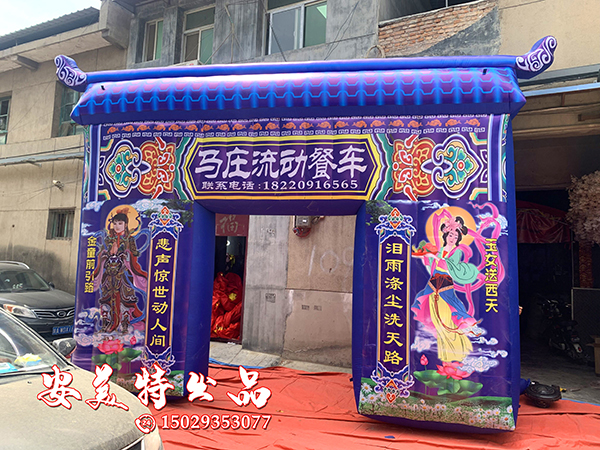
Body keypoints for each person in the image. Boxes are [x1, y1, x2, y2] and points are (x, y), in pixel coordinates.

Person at [411, 216, 480, 362]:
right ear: (445, 235)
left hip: (445, 287)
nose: (452, 238)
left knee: (447, 319)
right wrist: (426, 257)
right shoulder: (441, 250)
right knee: (436, 320)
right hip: (432, 286)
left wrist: (434, 257)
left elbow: (448, 267)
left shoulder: (457, 252)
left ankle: (457, 352)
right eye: (450, 235)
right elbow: (433, 267)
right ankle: (446, 355)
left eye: (455, 236)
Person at [94, 209, 147, 333]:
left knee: (125, 298)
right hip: (109, 273)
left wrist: (126, 255)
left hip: (123, 273)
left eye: (120, 223)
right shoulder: (108, 239)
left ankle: (125, 324)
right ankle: (106, 323)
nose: (117, 226)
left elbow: (134, 254)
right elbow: (101, 253)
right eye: (115, 223)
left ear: (126, 224)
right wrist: (105, 254)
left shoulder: (130, 239)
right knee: (106, 297)